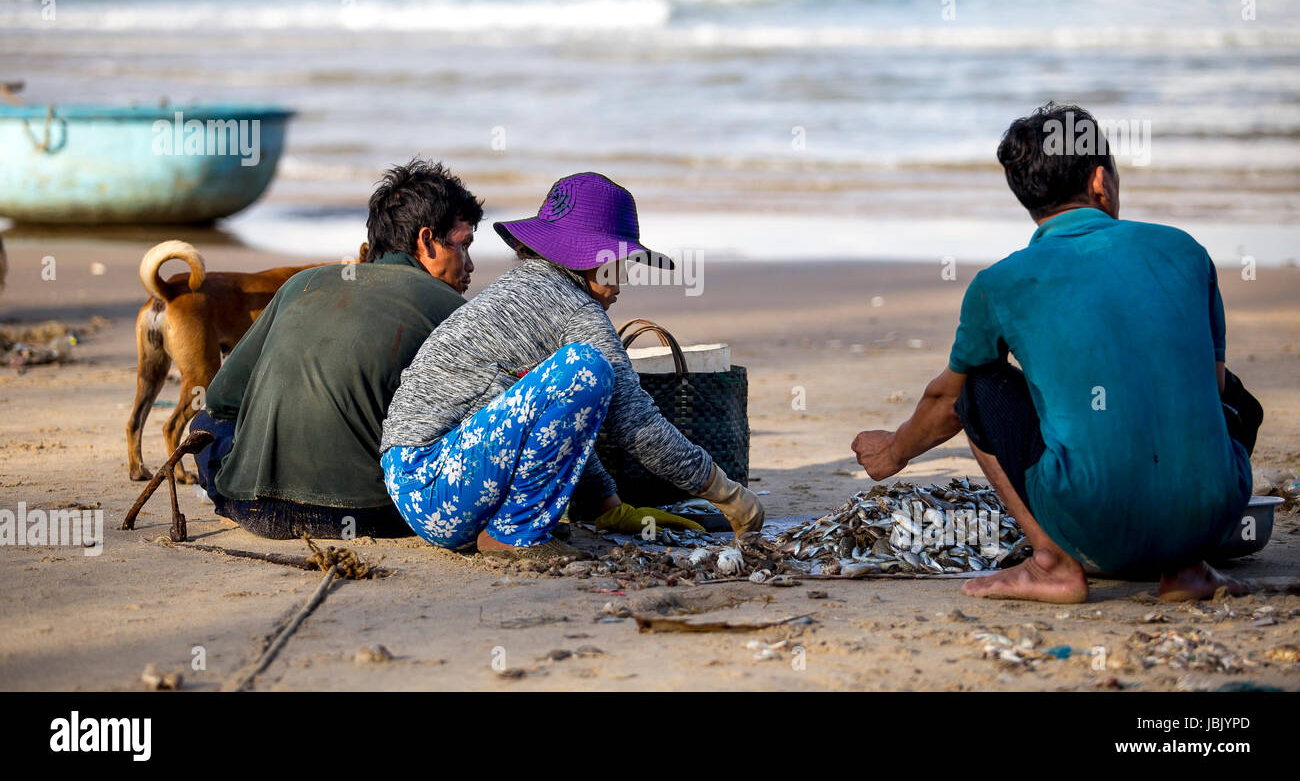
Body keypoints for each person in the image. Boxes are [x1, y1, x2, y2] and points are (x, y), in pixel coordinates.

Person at [851, 102, 1262, 603]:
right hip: (1213, 514)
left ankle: (1052, 563)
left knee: (977, 386)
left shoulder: (1000, 282)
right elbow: (1214, 389)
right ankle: (1188, 569)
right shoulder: (1184, 250)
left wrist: (893, 450)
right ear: (1099, 181)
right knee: (1223, 390)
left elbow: (944, 403)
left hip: (1091, 513)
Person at [380, 172, 764, 557]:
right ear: (590, 256)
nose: (622, 281)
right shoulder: (577, 311)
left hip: (419, 483)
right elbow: (638, 424)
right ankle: (514, 534)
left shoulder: (523, 287)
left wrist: (608, 507)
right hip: (433, 479)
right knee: (589, 369)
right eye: (619, 263)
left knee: (575, 382)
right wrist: (728, 494)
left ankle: (516, 523)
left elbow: (558, 425)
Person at [192, 160, 483, 539]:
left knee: (205, 425)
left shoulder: (305, 283)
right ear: (426, 240)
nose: (470, 265)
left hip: (252, 507)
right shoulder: (451, 308)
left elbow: (220, 399)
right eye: (463, 246)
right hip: (373, 515)